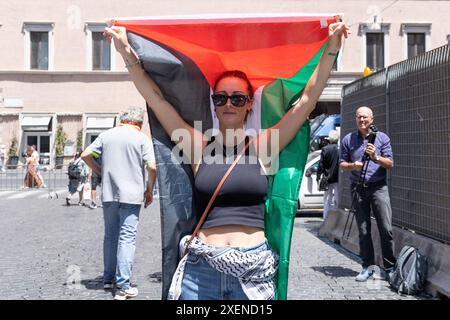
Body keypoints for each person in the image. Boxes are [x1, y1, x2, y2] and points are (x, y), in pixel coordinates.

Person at [105, 21, 349, 300]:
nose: (228, 104)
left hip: (253, 268)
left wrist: (331, 50)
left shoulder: (263, 147)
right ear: (213, 103)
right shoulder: (198, 147)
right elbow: (157, 99)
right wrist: (126, 52)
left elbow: (305, 101)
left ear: (249, 104)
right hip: (201, 270)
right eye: (221, 98)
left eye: (237, 98)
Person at [81, 107, 157, 300]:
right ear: (139, 123)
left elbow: (85, 155)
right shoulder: (141, 138)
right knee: (127, 238)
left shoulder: (106, 135)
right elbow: (152, 166)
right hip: (131, 195)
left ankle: (108, 278)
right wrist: (149, 190)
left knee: (110, 236)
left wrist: (100, 170)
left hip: (109, 193)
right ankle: (124, 285)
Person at [339, 106, 396, 282]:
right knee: (364, 231)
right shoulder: (348, 139)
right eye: (359, 117)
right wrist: (352, 166)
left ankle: (390, 267)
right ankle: (367, 267)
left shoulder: (382, 138)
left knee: (385, 228)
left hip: (378, 188)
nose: (362, 120)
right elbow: (342, 163)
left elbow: (390, 163)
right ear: (355, 119)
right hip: (358, 188)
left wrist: (375, 157)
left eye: (365, 117)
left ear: (372, 119)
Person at [316, 129, 340, 220]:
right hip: (337, 177)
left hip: (327, 178)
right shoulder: (339, 149)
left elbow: (321, 165)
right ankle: (337, 218)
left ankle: (326, 218)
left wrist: (318, 177)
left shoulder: (325, 149)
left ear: (329, 139)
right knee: (337, 199)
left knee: (327, 200)